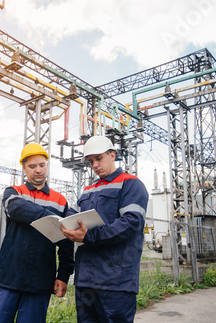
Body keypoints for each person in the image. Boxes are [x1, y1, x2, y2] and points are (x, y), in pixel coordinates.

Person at [0, 143, 74, 323]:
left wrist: (63, 275)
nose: (38, 170)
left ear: (47, 165)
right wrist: (53, 217)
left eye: (42, 165)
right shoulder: (14, 193)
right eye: (32, 166)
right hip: (8, 277)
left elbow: (66, 242)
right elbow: (17, 210)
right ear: (24, 168)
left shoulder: (60, 201)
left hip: (40, 280)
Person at [61, 135, 149, 323]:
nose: (95, 165)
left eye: (98, 158)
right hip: (86, 279)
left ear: (112, 155)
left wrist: (90, 236)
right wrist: (61, 221)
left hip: (116, 281)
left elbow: (131, 222)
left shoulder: (130, 184)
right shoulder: (88, 190)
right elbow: (73, 213)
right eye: (91, 161)